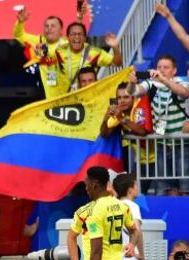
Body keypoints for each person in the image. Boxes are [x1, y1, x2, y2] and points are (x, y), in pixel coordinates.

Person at [126, 55, 189, 194]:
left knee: (186, 188)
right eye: (159, 67)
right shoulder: (151, 83)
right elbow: (133, 91)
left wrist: (164, 80)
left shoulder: (182, 81)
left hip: (183, 145)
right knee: (165, 188)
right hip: (162, 144)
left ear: (174, 70)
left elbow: (184, 93)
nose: (161, 70)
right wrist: (131, 83)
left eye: (166, 67)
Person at [100, 82, 154, 193]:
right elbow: (104, 134)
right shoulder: (120, 112)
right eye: (119, 98)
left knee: (159, 191)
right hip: (138, 162)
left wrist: (122, 119)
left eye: (126, 97)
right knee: (135, 193)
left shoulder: (139, 106)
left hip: (155, 159)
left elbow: (142, 131)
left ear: (133, 97)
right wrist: (106, 118)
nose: (122, 101)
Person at [13, 7, 72, 99]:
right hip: (44, 95)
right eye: (46, 26)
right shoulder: (38, 41)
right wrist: (20, 23)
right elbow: (19, 35)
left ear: (61, 30)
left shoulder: (68, 45)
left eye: (53, 26)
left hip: (66, 94)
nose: (49, 28)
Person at [57, 23, 122, 93]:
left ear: (85, 38)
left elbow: (117, 63)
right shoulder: (58, 51)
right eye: (73, 34)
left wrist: (115, 47)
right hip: (65, 98)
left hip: (88, 97)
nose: (77, 37)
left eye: (80, 34)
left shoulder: (95, 52)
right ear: (68, 37)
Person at [113, 173, 145, 260]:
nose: (137, 187)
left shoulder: (113, 206)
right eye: (135, 184)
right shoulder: (132, 206)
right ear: (129, 190)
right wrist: (141, 254)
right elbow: (137, 231)